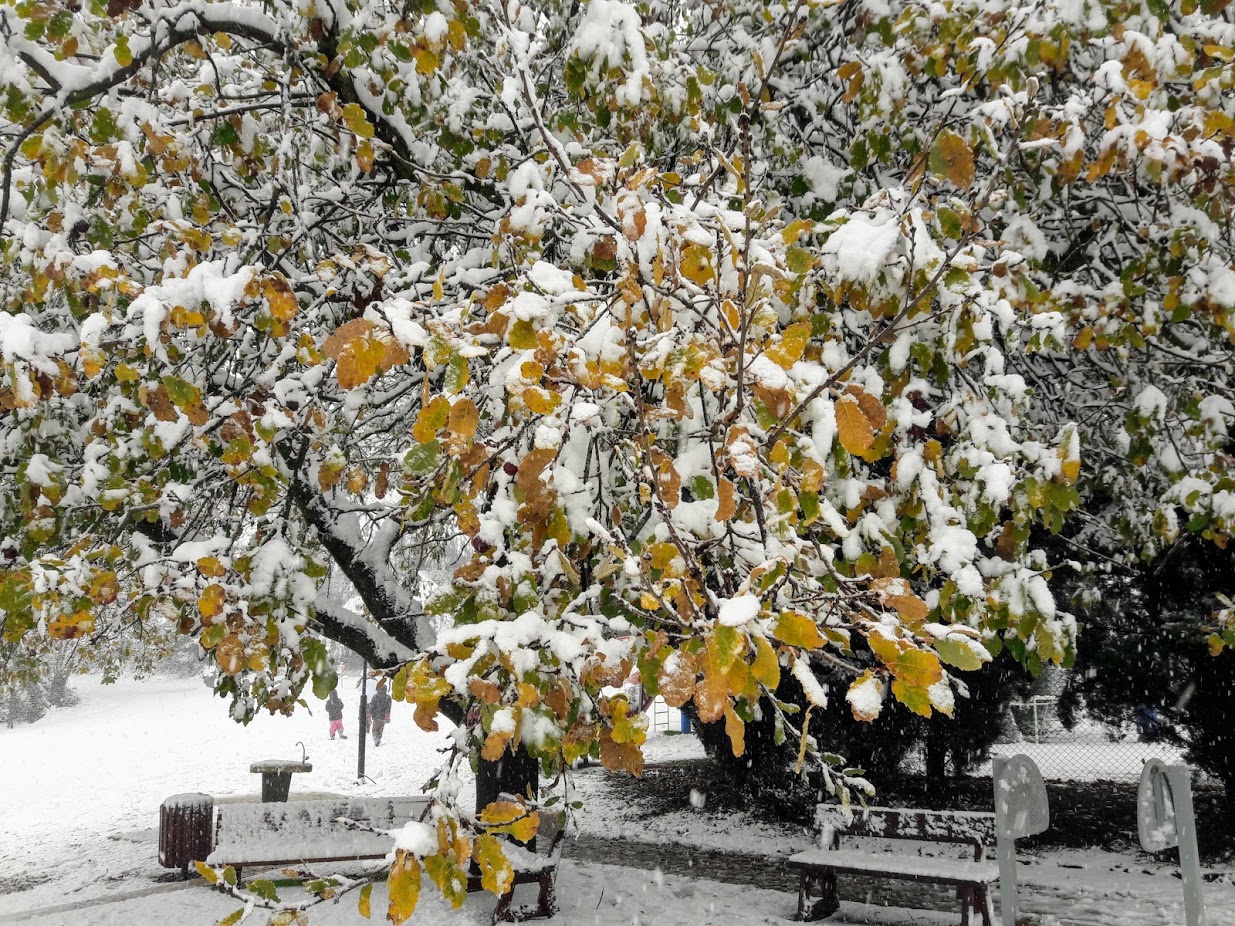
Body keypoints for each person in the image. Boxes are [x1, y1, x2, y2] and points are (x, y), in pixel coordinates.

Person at [368, 680, 392, 747]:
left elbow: (371, 706)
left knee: (374, 730)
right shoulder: (388, 697)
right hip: (383, 717)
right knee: (381, 729)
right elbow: (388, 708)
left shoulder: (375, 697)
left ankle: (376, 739)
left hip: (376, 717)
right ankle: (379, 738)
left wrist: (369, 713)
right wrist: (387, 716)